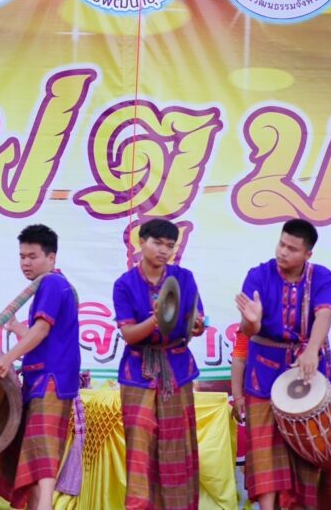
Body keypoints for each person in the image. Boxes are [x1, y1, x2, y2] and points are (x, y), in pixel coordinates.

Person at [234, 219, 331, 510]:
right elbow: (249, 331)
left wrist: (312, 350)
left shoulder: (321, 276)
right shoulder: (258, 275)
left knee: (310, 446)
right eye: (281, 244)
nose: (283, 252)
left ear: (307, 254)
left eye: (292, 249)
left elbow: (325, 313)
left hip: (307, 373)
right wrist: (252, 321)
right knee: (263, 447)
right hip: (263, 371)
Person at [113, 218, 205, 510]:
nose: (164, 250)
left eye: (169, 245)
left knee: (177, 445)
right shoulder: (125, 284)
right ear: (141, 242)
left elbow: (196, 322)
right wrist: (155, 318)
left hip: (177, 369)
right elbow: (129, 334)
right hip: (138, 372)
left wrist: (198, 325)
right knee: (140, 449)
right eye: (157, 243)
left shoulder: (184, 278)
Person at [0, 224, 81, 510]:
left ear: (51, 258)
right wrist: (17, 330)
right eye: (22, 256)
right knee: (37, 454)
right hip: (45, 377)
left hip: (51, 380)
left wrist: (7, 359)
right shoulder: (54, 285)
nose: (26, 263)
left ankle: (45, 506)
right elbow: (43, 336)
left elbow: (41, 331)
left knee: (43, 452)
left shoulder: (51, 283)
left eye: (32, 256)